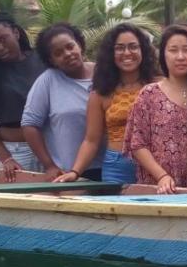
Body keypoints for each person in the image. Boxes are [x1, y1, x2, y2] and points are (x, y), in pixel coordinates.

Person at [61, 23, 158, 184]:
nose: (127, 53)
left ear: (143, 50)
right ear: (111, 54)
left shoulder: (160, 86)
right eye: (119, 48)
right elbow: (91, 140)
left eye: (133, 47)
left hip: (157, 164)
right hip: (117, 167)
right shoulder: (100, 93)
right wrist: (75, 171)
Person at [125, 25, 187, 192]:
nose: (180, 56)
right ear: (163, 54)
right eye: (173, 50)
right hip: (159, 188)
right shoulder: (149, 94)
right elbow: (138, 144)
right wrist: (162, 176)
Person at [22, 23, 102, 181]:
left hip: (111, 167)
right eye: (58, 53)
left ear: (79, 45)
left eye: (70, 46)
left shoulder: (104, 73)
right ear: (51, 60)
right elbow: (29, 124)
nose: (67, 54)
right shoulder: (48, 81)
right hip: (69, 172)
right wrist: (49, 165)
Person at [0, 13, 46, 180]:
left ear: (16, 33)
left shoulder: (42, 60)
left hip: (49, 147)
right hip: (15, 152)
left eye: (3, 39)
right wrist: (6, 158)